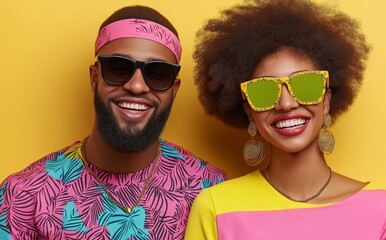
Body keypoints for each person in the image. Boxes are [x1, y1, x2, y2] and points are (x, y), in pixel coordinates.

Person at [185, 0, 386, 239]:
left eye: (305, 85)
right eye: (264, 91)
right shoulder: (215, 209)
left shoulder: (383, 210)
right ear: (249, 111)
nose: (286, 104)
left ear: (326, 100)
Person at [0, 5, 226, 240]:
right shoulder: (23, 196)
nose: (137, 86)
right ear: (94, 77)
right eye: (119, 69)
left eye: (158, 73)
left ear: (174, 89)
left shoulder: (209, 189)